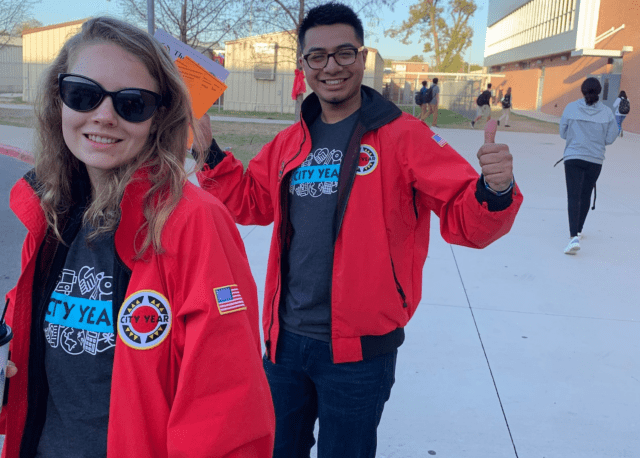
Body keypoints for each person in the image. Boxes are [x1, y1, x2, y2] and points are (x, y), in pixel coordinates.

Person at [196, 3, 522, 457]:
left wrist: (496, 189)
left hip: (358, 355)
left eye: (344, 53)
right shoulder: (291, 142)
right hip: (284, 343)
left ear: (363, 58)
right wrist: (208, 153)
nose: (332, 66)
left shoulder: (403, 136)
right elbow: (252, 203)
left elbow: (467, 220)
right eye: (318, 56)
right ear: (304, 66)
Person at [0, 17, 275, 457]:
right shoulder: (49, 210)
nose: (104, 116)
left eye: (132, 103)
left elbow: (227, 413)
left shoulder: (194, 223)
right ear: (59, 100)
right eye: (83, 95)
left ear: (158, 116)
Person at [559, 77, 618, 255]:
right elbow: (610, 137)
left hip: (573, 157)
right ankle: (578, 230)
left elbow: (563, 132)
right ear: (599, 91)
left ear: (582, 90)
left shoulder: (571, 108)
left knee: (573, 195)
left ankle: (573, 237)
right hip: (595, 159)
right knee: (585, 194)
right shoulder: (607, 113)